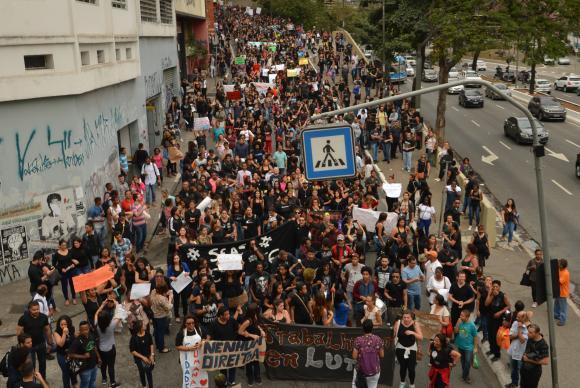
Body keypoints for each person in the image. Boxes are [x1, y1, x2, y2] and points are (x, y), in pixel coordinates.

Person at [16, 301, 52, 379]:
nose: (36, 311)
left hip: (41, 344)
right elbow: (19, 332)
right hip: (29, 346)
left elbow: (47, 329)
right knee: (31, 365)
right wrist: (22, 344)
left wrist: (50, 341)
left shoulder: (43, 317)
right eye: (34, 310)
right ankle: (32, 381)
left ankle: (43, 379)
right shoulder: (23, 318)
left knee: (43, 363)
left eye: (37, 309)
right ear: (29, 309)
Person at [207, 306, 240, 386]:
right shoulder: (214, 324)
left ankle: (231, 381)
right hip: (220, 350)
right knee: (223, 367)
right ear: (221, 316)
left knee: (233, 365)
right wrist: (206, 342)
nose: (228, 316)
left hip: (232, 348)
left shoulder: (231, 320)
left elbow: (238, 330)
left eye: (229, 314)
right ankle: (224, 382)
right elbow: (209, 336)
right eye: (226, 314)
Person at [95, 299, 121, 387]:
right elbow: (119, 315)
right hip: (110, 349)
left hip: (101, 349)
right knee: (111, 366)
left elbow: (96, 314)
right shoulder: (111, 325)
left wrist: (102, 305)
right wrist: (116, 303)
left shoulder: (97, 325)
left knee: (103, 365)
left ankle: (104, 379)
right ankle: (112, 382)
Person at [238, 303, 265, 386]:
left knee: (256, 360)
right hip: (248, 342)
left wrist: (261, 330)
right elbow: (240, 331)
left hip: (256, 342)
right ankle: (250, 377)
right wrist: (251, 335)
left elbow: (257, 325)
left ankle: (257, 376)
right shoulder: (248, 321)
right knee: (249, 360)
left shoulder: (255, 317)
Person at [394, 310, 423, 388]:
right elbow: (394, 335)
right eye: (404, 317)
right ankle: (402, 381)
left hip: (412, 348)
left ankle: (412, 384)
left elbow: (421, 337)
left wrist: (412, 332)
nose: (406, 319)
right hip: (400, 347)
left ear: (411, 318)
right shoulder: (398, 323)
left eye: (408, 317)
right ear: (402, 317)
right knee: (403, 367)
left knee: (411, 368)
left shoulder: (415, 324)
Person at [352, 319, 384, 388]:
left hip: (361, 370)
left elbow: (354, 356)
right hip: (374, 370)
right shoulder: (378, 339)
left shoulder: (358, 340)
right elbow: (382, 355)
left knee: (356, 385)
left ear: (363, 328)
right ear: (372, 328)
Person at [68, 320, 100, 388]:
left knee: (93, 381)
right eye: (83, 330)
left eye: (87, 329)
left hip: (94, 364)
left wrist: (99, 357)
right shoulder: (77, 341)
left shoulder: (91, 335)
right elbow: (70, 354)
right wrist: (83, 356)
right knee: (85, 384)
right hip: (85, 368)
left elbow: (94, 347)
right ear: (79, 330)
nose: (85, 331)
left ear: (89, 328)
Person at [485, 279, 511, 362]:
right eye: (494, 286)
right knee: (490, 336)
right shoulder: (491, 294)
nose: (495, 288)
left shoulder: (503, 296)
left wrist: (500, 312)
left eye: (497, 286)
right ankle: (492, 350)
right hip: (490, 318)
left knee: (496, 337)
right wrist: (490, 294)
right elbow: (486, 304)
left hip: (498, 320)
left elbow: (508, 306)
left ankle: (497, 354)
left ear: (499, 287)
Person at [520, 324, 549, 388]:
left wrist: (528, 360)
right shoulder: (530, 338)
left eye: (530, 332)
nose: (528, 334)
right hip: (524, 369)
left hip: (533, 373)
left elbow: (545, 361)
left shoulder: (543, 345)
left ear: (537, 333)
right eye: (528, 331)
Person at [150, 277, 173, 353]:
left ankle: (158, 345)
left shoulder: (153, 292)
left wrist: (166, 294)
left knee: (156, 331)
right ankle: (162, 348)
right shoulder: (162, 299)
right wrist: (170, 298)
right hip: (161, 316)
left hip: (154, 315)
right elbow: (168, 307)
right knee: (161, 332)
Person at [454, 309, 478, 383]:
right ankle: (465, 375)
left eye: (462, 316)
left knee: (467, 362)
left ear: (467, 317)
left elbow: (475, 337)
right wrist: (458, 323)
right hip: (460, 346)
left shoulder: (472, 325)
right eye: (460, 315)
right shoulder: (460, 322)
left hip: (469, 347)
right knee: (463, 361)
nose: (460, 316)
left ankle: (465, 376)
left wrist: (475, 347)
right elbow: (455, 331)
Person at [53, 315, 77, 388]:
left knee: (73, 370)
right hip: (62, 355)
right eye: (61, 324)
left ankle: (74, 384)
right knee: (66, 372)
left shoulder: (72, 328)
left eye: (65, 324)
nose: (63, 326)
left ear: (68, 324)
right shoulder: (56, 332)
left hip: (72, 354)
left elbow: (74, 337)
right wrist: (64, 333)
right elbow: (60, 344)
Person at [129, 320, 155, 388]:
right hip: (139, 359)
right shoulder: (134, 338)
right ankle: (144, 386)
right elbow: (132, 351)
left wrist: (152, 355)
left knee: (149, 373)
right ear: (140, 328)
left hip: (149, 357)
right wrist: (143, 357)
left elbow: (151, 344)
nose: (145, 324)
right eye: (143, 325)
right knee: (142, 372)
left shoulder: (147, 334)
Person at [506, 311, 528, 388]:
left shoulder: (528, 327)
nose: (516, 318)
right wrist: (518, 335)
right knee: (513, 369)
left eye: (518, 317)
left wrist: (519, 329)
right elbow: (510, 336)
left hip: (521, 353)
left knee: (521, 371)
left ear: (523, 318)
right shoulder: (515, 323)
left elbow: (522, 340)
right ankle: (514, 383)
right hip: (513, 351)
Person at [554, 258, 570, 326]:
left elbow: (559, 282)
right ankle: (556, 314)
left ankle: (562, 320)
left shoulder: (565, 273)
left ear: (562, 266)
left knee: (563, 308)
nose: (558, 264)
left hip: (563, 293)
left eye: (559, 264)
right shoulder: (559, 270)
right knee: (556, 304)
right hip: (558, 291)